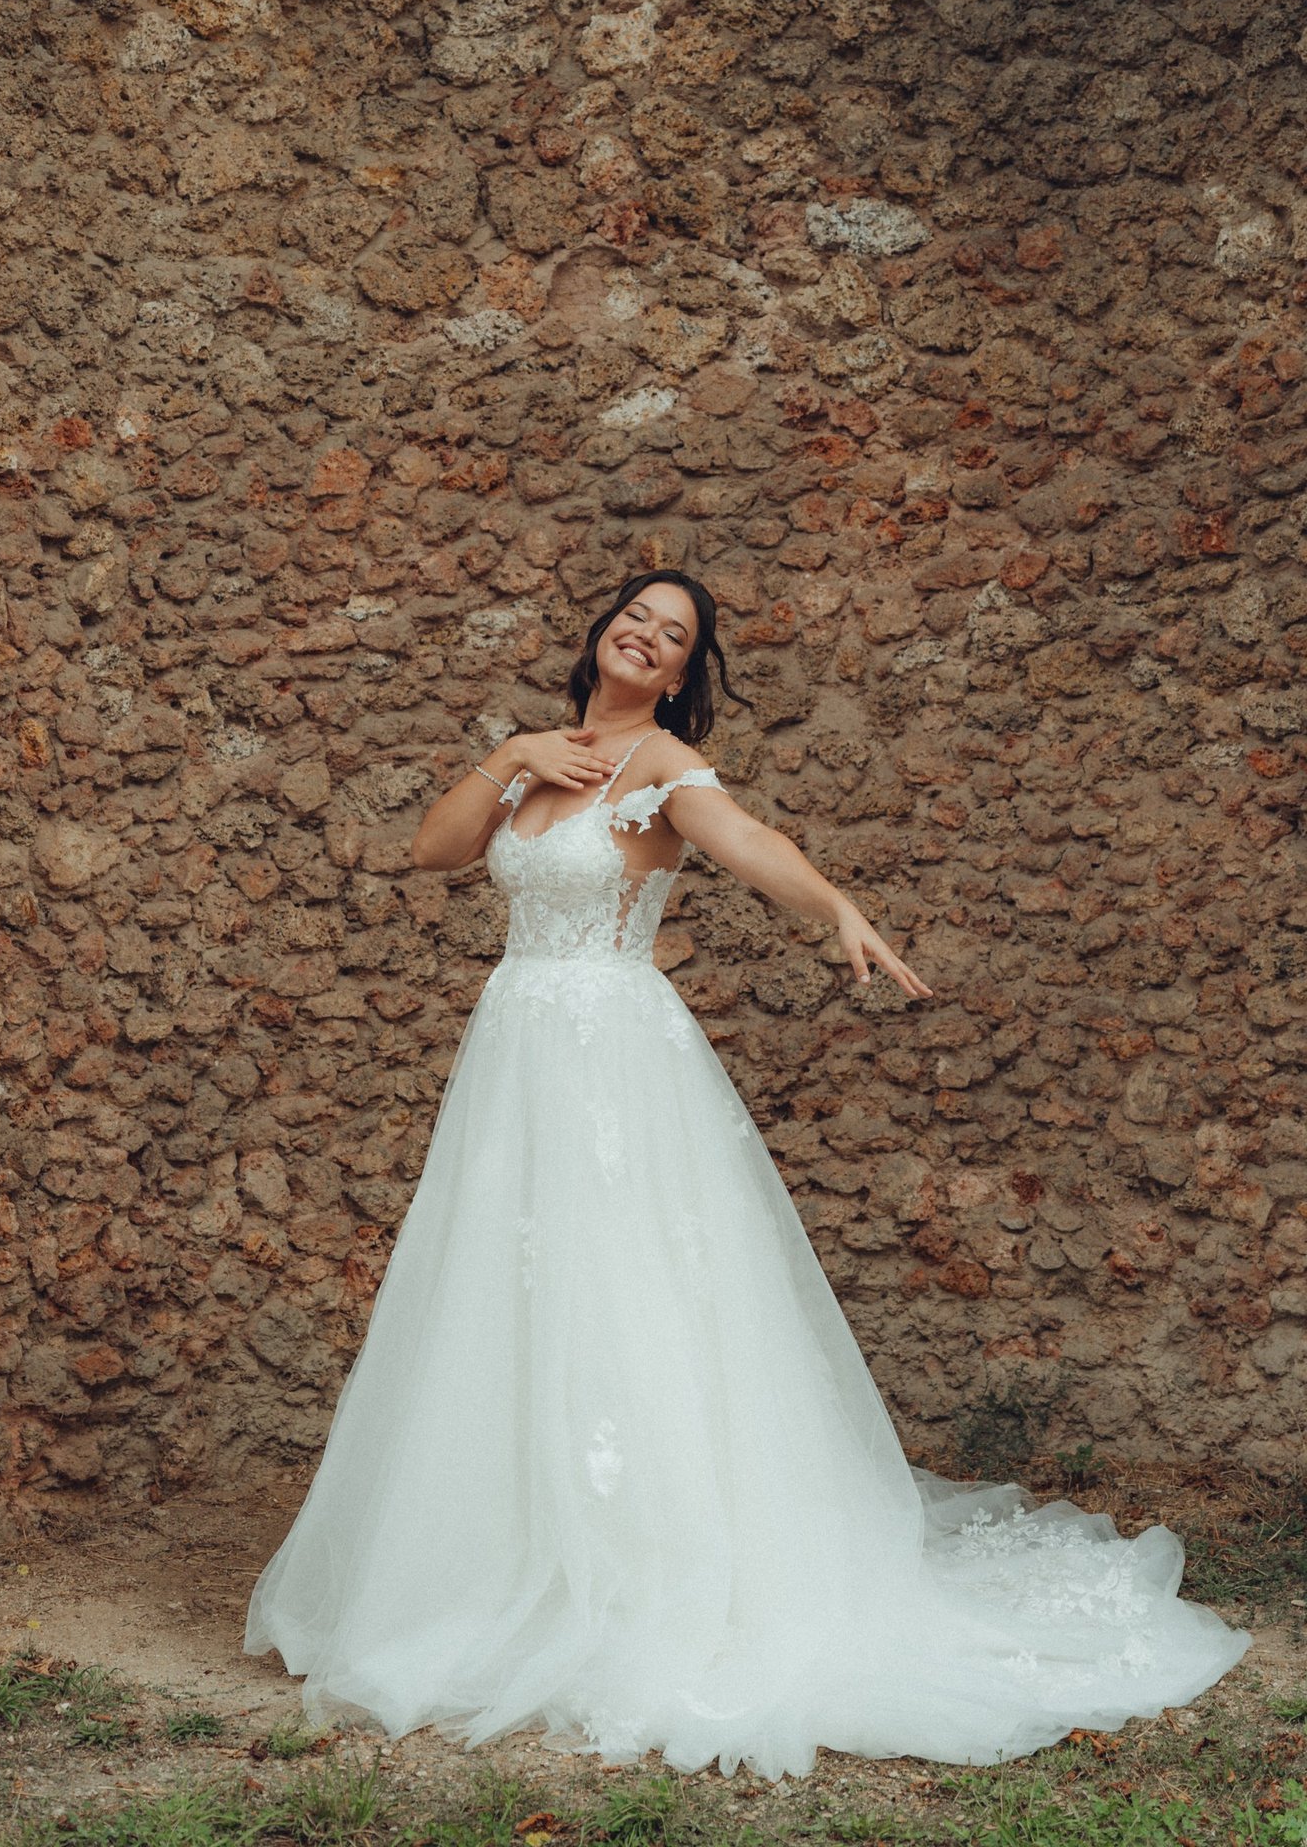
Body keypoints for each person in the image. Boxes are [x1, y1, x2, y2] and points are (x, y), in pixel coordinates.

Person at [244, 569, 1252, 1780]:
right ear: (600, 634)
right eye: (635, 615)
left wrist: (837, 906)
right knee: (501, 1289)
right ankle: (496, 1551)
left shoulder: (667, 768)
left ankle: (647, 1561)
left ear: (678, 674)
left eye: (673, 635)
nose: (647, 635)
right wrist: (511, 750)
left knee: (625, 1291)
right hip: (514, 1052)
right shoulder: (536, 760)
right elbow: (430, 851)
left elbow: (746, 841)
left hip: (613, 1056)